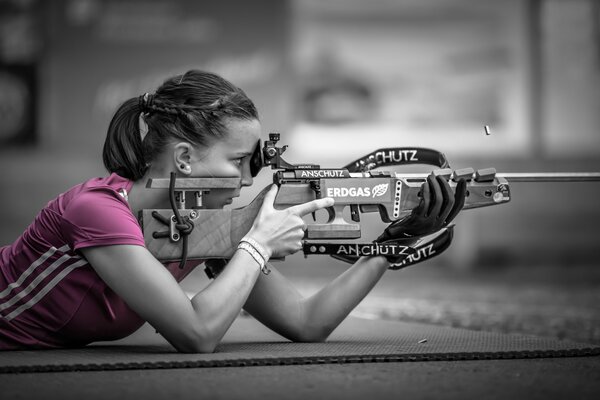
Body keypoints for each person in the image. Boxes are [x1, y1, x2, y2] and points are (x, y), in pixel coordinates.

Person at [0, 70, 465, 352]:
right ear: (184, 159)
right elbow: (196, 334)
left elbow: (307, 323)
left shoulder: (200, 221)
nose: (247, 180)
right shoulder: (95, 210)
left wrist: (392, 243)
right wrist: (257, 245)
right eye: (239, 161)